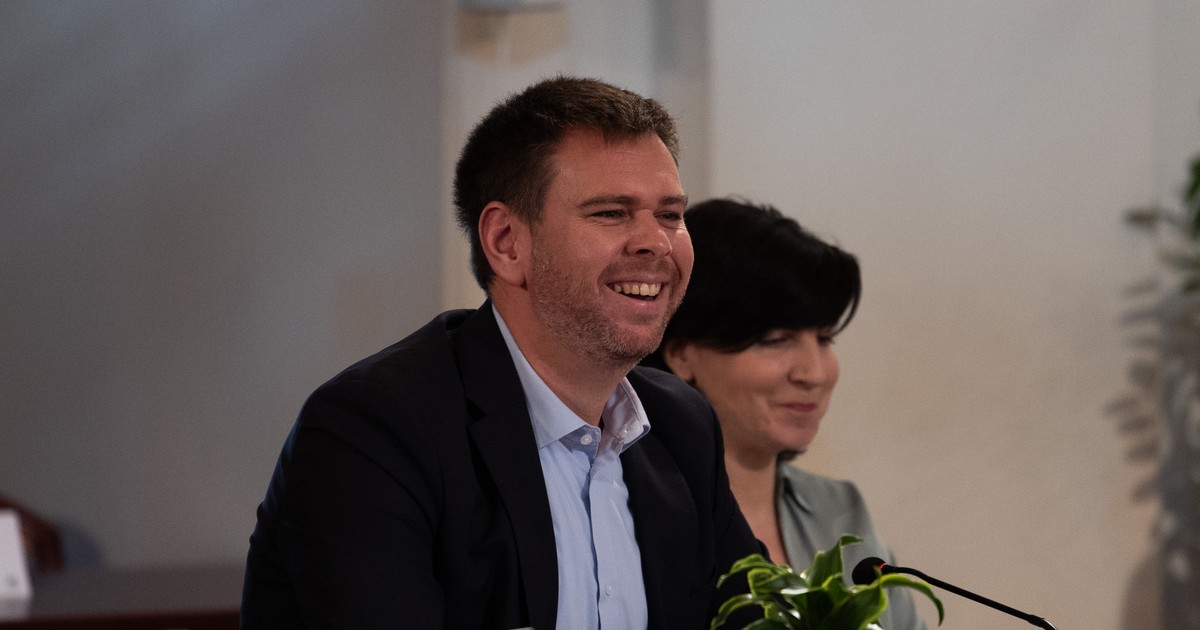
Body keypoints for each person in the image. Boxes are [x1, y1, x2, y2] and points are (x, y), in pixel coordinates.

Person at [239, 77, 762, 629]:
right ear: (507, 242)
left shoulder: (682, 424)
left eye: (670, 215)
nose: (656, 241)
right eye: (611, 213)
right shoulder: (376, 428)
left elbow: (760, 618)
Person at [649, 198, 928, 629]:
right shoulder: (633, 508)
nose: (813, 373)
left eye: (825, 338)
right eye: (777, 340)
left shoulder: (839, 510)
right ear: (683, 353)